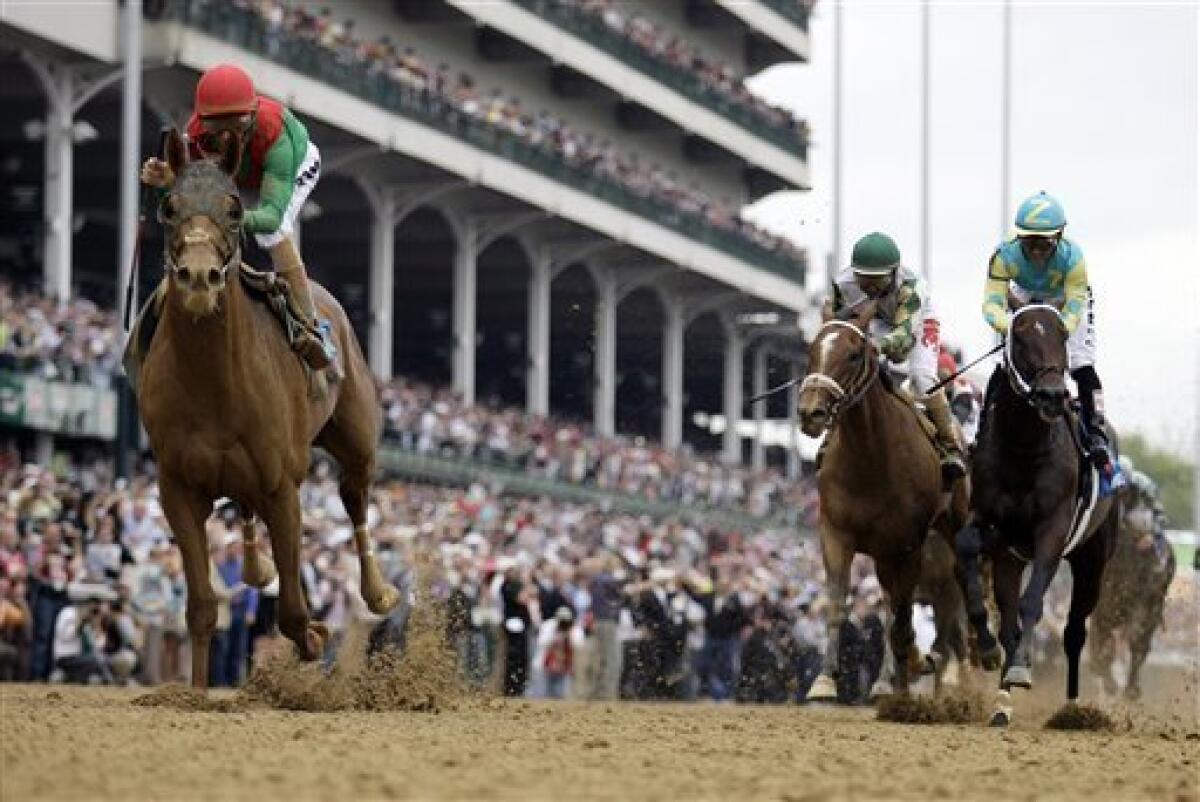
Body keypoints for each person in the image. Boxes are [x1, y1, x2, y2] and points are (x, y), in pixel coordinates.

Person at [140, 63, 334, 369]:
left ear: (252, 115)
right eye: (218, 130)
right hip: (238, 178)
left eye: (238, 127)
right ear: (204, 124)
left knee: (271, 232)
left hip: (290, 171)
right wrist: (163, 184)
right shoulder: (195, 136)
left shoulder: (276, 137)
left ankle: (310, 327)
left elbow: (269, 215)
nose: (229, 137)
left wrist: (221, 218)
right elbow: (180, 206)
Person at [982, 191, 1111, 470]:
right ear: (1019, 237)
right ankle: (982, 434)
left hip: (1063, 299)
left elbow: (1075, 302)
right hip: (1023, 297)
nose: (1038, 251)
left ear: (1060, 235)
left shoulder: (1073, 257)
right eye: (1030, 243)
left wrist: (1056, 330)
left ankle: (1097, 433)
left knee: (1081, 365)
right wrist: (1017, 328)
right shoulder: (1002, 256)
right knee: (1002, 366)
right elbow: (992, 305)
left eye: (1045, 243)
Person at [823, 232, 966, 480]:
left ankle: (948, 443)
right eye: (863, 279)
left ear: (893, 273)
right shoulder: (842, 284)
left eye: (876, 281)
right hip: (878, 319)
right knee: (850, 374)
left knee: (922, 378)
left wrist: (877, 346)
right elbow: (837, 326)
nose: (868, 287)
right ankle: (831, 436)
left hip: (916, 322)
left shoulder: (912, 286)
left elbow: (903, 337)